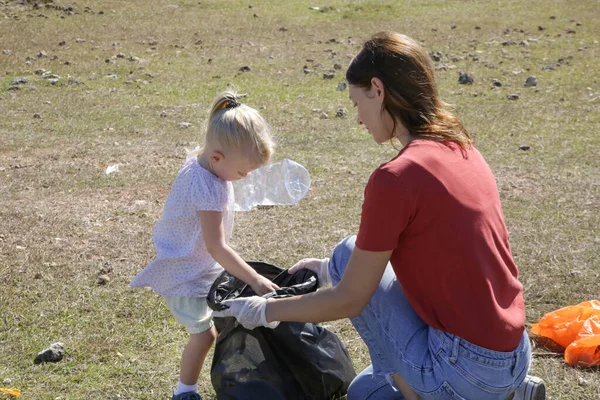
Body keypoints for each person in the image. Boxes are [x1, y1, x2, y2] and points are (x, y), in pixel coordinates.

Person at [213, 32, 547, 400]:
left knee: (346, 257)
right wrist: (325, 270)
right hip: (513, 352)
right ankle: (511, 392)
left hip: (465, 366)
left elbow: (350, 299)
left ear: (377, 89)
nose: (358, 119)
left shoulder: (395, 179)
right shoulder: (461, 146)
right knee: (363, 392)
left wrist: (266, 311)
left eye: (357, 103)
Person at [130, 90, 279, 400]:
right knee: (205, 335)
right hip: (184, 273)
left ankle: (240, 375)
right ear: (217, 158)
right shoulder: (210, 187)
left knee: (230, 317)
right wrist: (254, 278)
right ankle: (184, 392)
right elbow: (217, 247)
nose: (243, 178)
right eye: (242, 172)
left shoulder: (205, 161)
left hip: (198, 264)